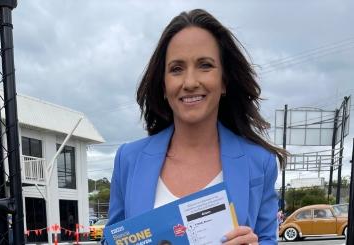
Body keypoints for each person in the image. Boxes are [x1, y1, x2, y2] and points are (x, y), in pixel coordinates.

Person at [106, 9, 286, 245]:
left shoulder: (259, 163)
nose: (190, 82)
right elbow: (111, 239)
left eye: (205, 65)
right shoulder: (128, 160)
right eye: (176, 69)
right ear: (163, 84)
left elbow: (267, 239)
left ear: (224, 81)